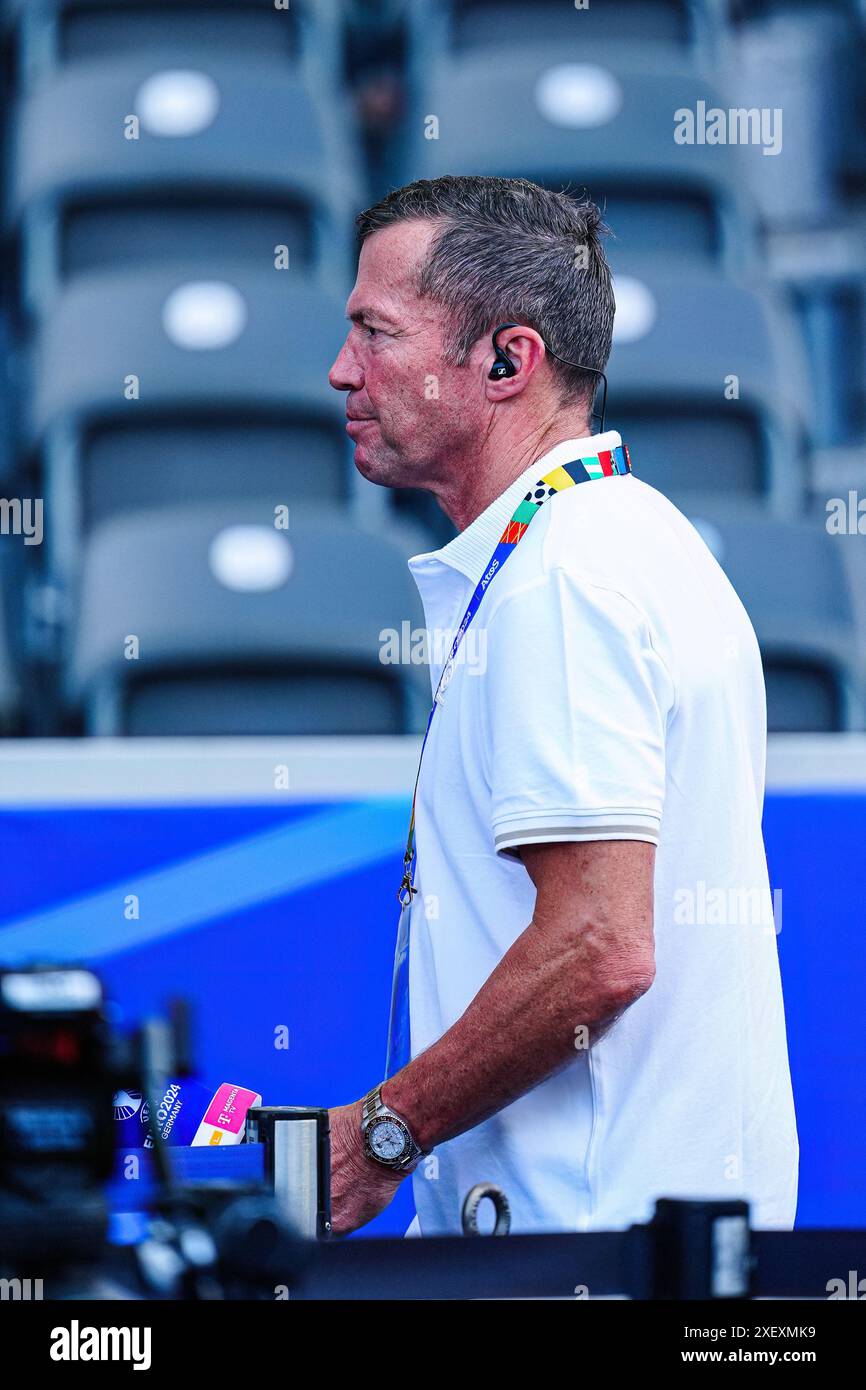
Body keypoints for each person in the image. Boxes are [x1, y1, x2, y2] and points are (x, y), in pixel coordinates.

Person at [326, 175, 798, 1237]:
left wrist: (378, 1135)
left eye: (374, 331)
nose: (340, 369)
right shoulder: (623, 540)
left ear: (506, 361)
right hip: (630, 1242)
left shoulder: (564, 576)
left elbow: (599, 945)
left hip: (583, 1253)